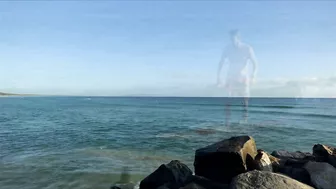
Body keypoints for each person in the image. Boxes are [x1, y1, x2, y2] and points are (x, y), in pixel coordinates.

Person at [216, 30, 257, 125]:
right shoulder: (227, 48)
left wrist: (253, 75)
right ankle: (227, 121)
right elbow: (221, 62)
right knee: (228, 98)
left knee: (245, 99)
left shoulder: (247, 48)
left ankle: (245, 118)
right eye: (231, 39)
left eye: (234, 39)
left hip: (243, 76)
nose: (233, 41)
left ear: (239, 38)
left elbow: (255, 63)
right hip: (231, 76)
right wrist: (218, 77)